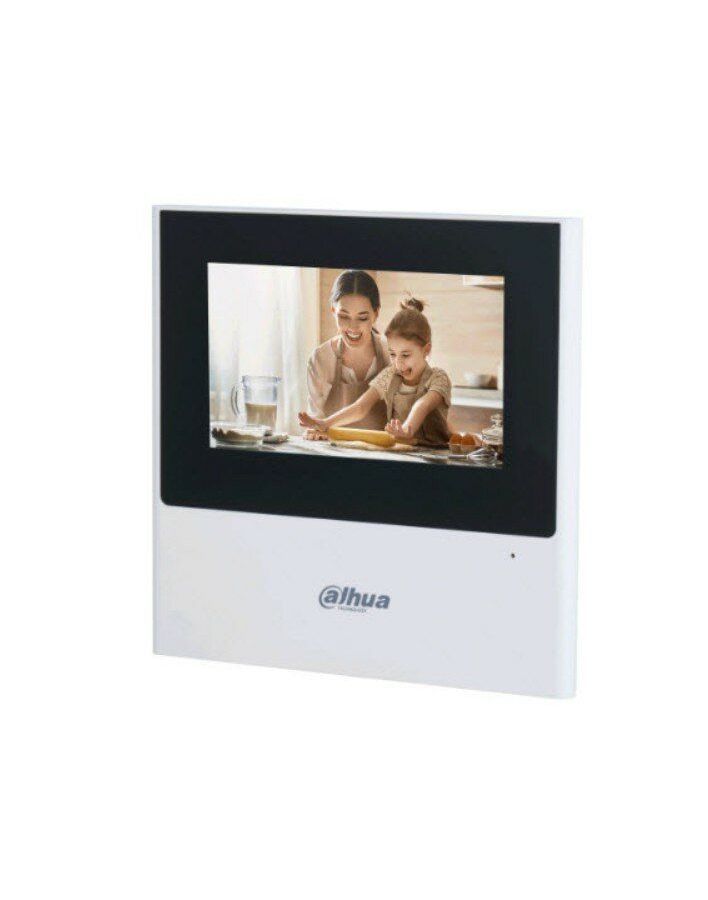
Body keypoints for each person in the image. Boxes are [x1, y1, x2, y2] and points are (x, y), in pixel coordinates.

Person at [299, 297, 451, 446]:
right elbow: (360, 407)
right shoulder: (390, 375)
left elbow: (423, 405)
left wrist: (406, 429)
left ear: (426, 350)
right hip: (402, 452)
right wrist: (325, 423)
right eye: (392, 354)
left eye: (405, 355)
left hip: (435, 452)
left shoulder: (438, 377)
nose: (398, 363)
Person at [304, 270, 389, 439]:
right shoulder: (321, 359)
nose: (353, 327)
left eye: (362, 318)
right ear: (333, 311)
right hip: (335, 450)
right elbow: (316, 422)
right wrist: (314, 431)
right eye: (344, 316)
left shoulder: (392, 352)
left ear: (376, 314)